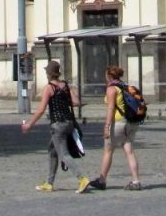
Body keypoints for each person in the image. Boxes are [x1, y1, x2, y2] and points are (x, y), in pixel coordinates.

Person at [23, 60, 85, 192]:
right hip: (69, 123)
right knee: (52, 150)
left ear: (49, 74)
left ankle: (82, 179)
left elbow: (40, 110)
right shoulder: (65, 86)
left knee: (63, 155)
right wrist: (64, 99)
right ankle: (49, 183)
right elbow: (76, 102)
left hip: (58, 124)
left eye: (46, 72)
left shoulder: (49, 88)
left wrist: (29, 124)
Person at [78, 64, 141, 193]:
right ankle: (136, 181)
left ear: (109, 76)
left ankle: (102, 180)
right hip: (130, 123)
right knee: (129, 150)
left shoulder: (112, 89)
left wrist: (107, 126)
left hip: (117, 123)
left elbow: (111, 108)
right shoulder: (125, 86)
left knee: (108, 150)